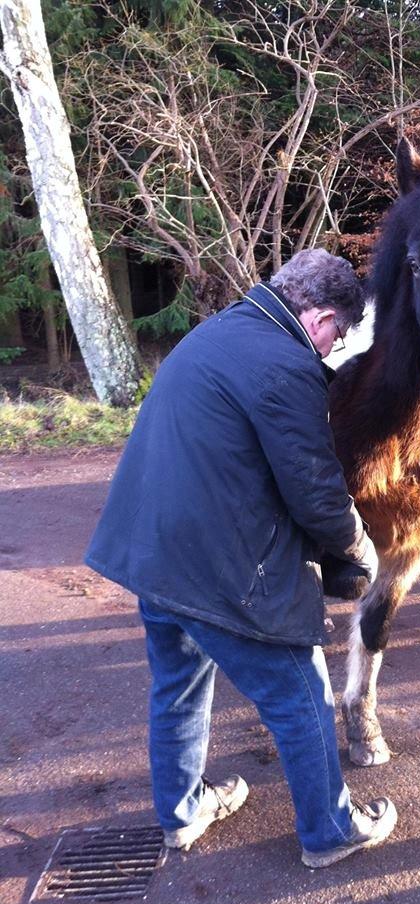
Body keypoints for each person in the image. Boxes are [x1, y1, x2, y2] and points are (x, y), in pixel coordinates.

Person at [85, 249, 397, 869]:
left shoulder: (218, 331)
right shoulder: (286, 364)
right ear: (320, 317)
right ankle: (329, 830)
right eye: (337, 335)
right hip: (219, 566)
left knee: (178, 686)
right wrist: (360, 548)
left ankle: (182, 813)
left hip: (156, 553)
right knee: (299, 691)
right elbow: (315, 490)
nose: (333, 350)